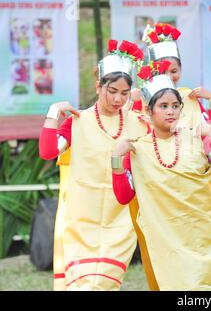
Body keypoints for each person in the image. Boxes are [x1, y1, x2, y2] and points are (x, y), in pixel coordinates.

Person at [111, 67, 211, 290]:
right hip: (166, 243)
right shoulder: (137, 149)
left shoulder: (198, 139)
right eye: (163, 106)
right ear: (149, 112)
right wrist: (115, 159)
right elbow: (124, 197)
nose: (171, 111)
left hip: (203, 237)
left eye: (175, 106)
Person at [39, 39, 147, 290]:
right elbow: (47, 151)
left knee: (103, 283)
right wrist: (54, 112)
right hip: (81, 219)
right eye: (112, 91)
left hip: (120, 219)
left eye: (124, 93)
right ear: (98, 86)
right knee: (84, 284)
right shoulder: (78, 121)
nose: (118, 99)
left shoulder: (139, 123)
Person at [134, 22, 211, 133]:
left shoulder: (188, 97)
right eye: (163, 71)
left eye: (174, 71)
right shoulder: (142, 100)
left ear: (180, 70)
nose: (169, 76)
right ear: (153, 71)